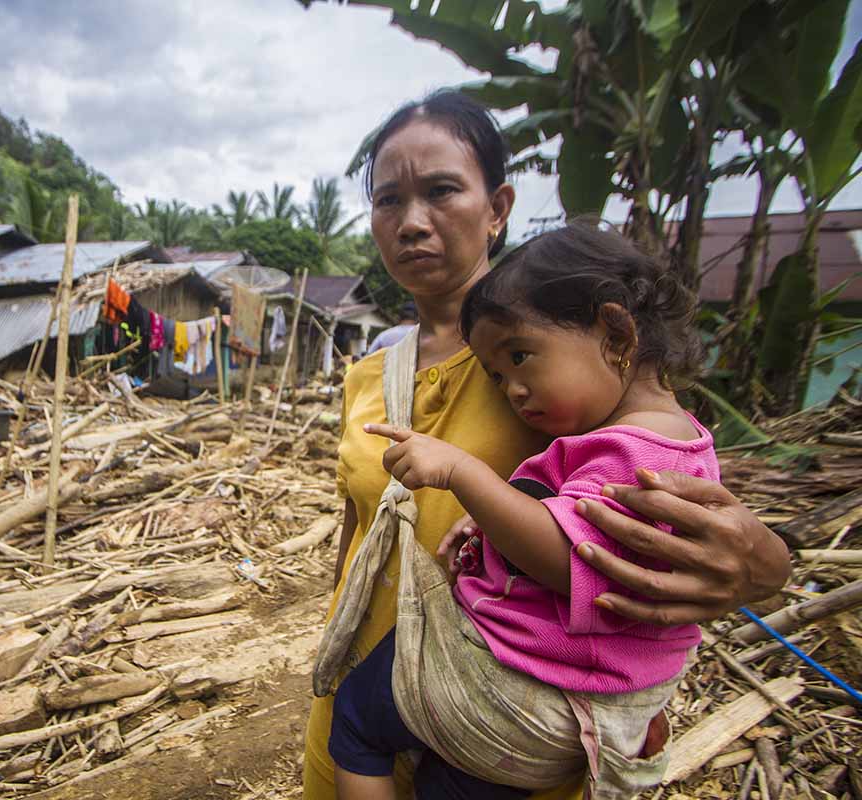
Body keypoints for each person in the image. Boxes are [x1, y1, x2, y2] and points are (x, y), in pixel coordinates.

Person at [304, 89, 792, 800]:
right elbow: (358, 527)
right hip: (367, 694)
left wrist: (764, 566)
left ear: (497, 207)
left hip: (500, 712)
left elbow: (666, 509)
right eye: (387, 201)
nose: (411, 222)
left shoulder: (568, 371)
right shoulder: (371, 370)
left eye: (442, 190)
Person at [331, 222, 715, 800]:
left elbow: (567, 558)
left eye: (520, 356)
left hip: (524, 689)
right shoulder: (684, 443)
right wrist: (496, 518)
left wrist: (463, 473)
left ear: (615, 332)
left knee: (357, 717)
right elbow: (567, 519)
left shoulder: (631, 453)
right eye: (496, 375)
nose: (512, 389)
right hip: (574, 697)